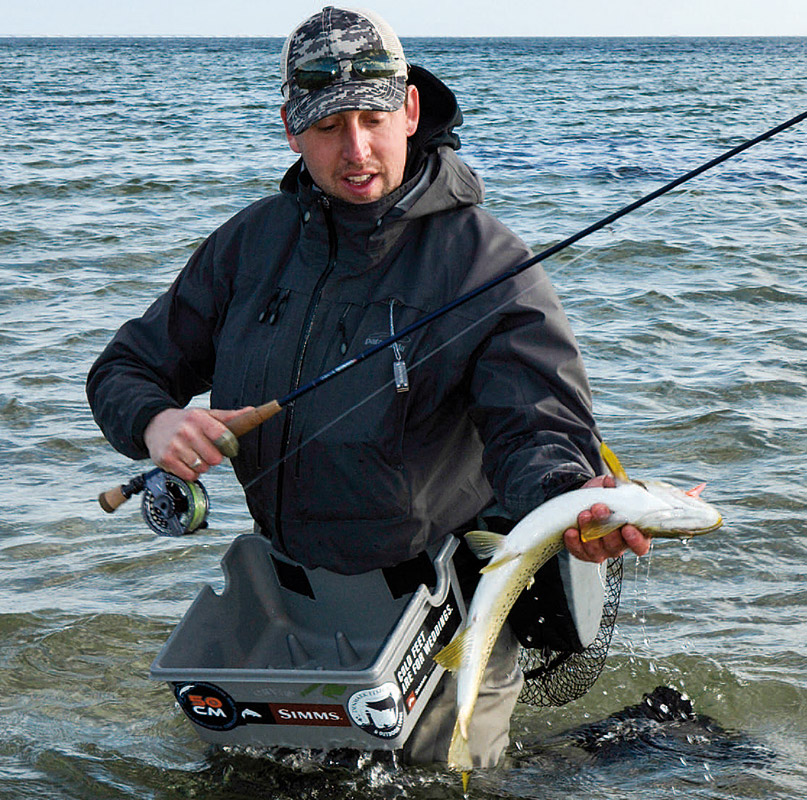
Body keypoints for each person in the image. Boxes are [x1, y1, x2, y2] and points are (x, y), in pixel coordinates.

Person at [87, 6, 649, 769]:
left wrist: (572, 504)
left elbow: (538, 431)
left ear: (409, 109)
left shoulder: (487, 263)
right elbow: (124, 368)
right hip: (286, 614)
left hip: (444, 620)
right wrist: (157, 422)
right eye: (327, 127)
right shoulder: (250, 242)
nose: (355, 149)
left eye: (372, 117)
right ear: (290, 127)